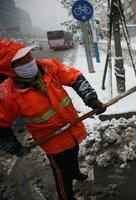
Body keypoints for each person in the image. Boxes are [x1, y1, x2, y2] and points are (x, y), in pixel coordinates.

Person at [0, 38, 106, 200]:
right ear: (10, 69)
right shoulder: (8, 93)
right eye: (21, 61)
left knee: (73, 153)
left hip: (71, 128)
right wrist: (14, 147)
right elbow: (1, 125)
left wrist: (91, 99)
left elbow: (75, 78)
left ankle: (76, 173)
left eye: (28, 56)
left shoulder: (49, 66)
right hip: (52, 142)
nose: (29, 62)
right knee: (62, 174)